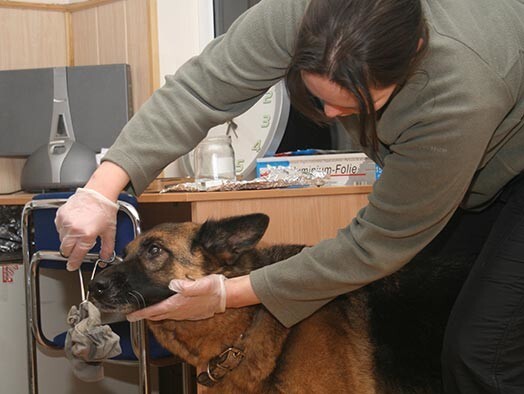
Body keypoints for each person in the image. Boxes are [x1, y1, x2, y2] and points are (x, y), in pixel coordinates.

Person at [54, 0, 524, 392]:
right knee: (422, 327)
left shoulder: (460, 87)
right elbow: (201, 89)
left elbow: (375, 245)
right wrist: (102, 188)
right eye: (316, 96)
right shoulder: (301, 14)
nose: (331, 114)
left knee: (482, 351)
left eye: (357, 103)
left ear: (415, 54)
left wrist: (226, 294)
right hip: (469, 170)